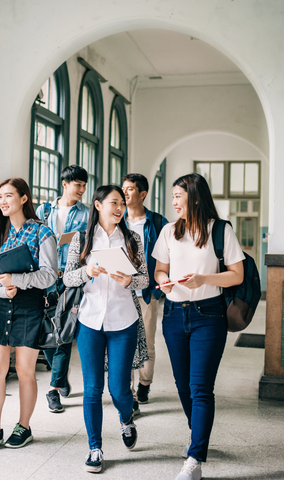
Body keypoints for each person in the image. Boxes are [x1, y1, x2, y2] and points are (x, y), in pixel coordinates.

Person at [153, 173, 244, 480]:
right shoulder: (169, 231)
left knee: (200, 388)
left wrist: (204, 278)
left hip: (209, 315)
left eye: (178, 196)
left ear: (194, 196)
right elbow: (160, 269)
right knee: (182, 386)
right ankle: (198, 438)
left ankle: (194, 459)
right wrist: (162, 281)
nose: (174, 202)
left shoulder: (220, 230)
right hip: (175, 315)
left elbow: (236, 275)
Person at [63, 185, 149, 473]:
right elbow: (67, 278)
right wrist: (86, 271)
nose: (119, 208)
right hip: (90, 320)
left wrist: (129, 281)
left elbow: (145, 280)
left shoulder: (132, 238)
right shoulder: (82, 238)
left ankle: (126, 419)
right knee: (92, 389)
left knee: (119, 389)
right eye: (113, 202)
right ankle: (95, 448)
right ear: (97, 205)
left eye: (122, 203)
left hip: (123, 320)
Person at [0, 178, 58, 451]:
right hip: (1, 303)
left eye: (9, 196)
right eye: (0, 197)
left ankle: (24, 426)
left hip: (30, 304)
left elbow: (48, 275)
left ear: (24, 198)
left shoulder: (43, 233)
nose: (3, 201)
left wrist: (17, 282)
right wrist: (1, 288)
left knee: (24, 371)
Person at [36, 164, 90, 413]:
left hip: (70, 279)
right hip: (44, 278)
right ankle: (61, 375)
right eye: (78, 184)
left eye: (84, 185)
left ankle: (53, 389)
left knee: (65, 333)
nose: (82, 189)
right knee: (48, 334)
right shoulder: (44, 210)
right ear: (65, 184)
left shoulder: (87, 214)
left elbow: (88, 246)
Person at [122, 173, 168, 415]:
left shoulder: (158, 222)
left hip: (146, 292)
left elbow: (166, 257)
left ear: (143, 194)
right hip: (120, 292)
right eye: (123, 189)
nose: (125, 193)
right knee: (124, 343)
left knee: (147, 342)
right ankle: (127, 393)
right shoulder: (117, 220)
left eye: (130, 189)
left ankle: (144, 384)